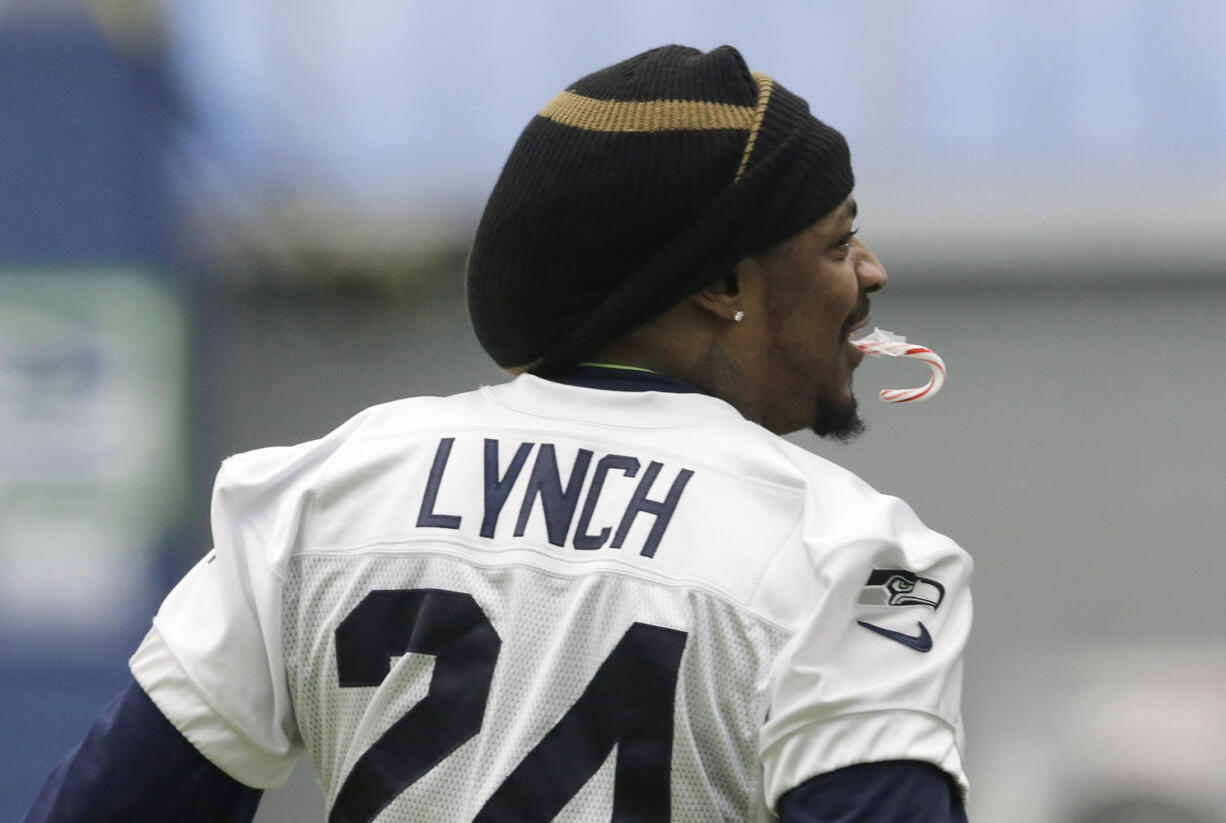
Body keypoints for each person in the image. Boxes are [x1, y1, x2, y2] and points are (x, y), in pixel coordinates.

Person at [26, 44, 972, 822]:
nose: (872, 272)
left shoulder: (329, 491)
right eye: (838, 241)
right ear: (722, 283)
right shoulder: (847, 552)